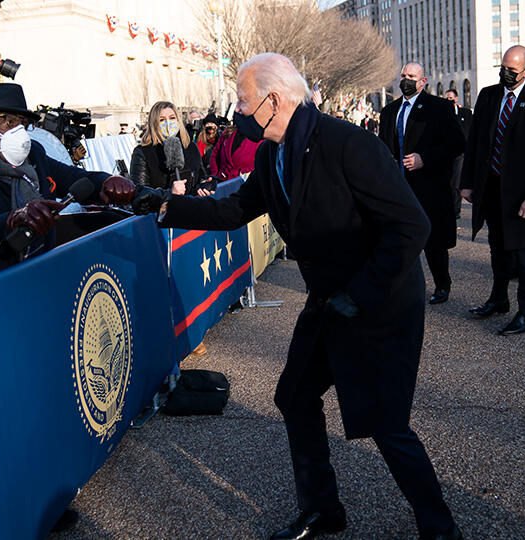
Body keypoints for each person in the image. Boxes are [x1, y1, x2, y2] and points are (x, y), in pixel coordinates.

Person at [132, 52, 461, 540]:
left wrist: (360, 295)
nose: (237, 111)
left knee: (386, 422)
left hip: (380, 302)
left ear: (272, 100)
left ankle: (440, 528)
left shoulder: (349, 143)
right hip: (328, 301)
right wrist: (165, 206)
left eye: (242, 101)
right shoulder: (272, 155)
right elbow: (233, 211)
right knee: (296, 395)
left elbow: (412, 226)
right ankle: (322, 509)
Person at [0, 83, 135, 329]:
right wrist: (10, 221)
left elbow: (71, 177)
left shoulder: (34, 156)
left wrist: (105, 181)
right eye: (8, 122)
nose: (19, 131)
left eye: (23, 123)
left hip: (28, 292)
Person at [460, 45, 525, 336]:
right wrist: (467, 182)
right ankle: (498, 299)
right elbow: (475, 142)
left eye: (512, 70)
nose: (505, 73)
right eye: (502, 68)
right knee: (498, 248)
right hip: (492, 189)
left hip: (524, 195)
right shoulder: (488, 96)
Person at [379, 63, 465, 305]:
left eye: (411, 76)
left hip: (430, 187)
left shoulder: (439, 107)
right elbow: (383, 144)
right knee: (400, 240)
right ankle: (402, 287)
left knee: (434, 242)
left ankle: (442, 284)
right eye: (403, 75)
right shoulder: (390, 111)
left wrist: (424, 158)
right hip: (398, 188)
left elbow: (457, 143)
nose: (405, 80)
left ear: (422, 81)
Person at [129, 101, 204, 195]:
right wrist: (169, 193)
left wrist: (204, 185)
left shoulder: (191, 147)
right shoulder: (142, 152)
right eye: (162, 120)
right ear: (154, 123)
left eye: (172, 118)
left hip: (191, 203)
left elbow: (200, 176)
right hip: (163, 204)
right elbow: (140, 193)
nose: (168, 123)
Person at [445, 89, 472, 218]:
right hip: (446, 153)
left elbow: (470, 131)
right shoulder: (442, 113)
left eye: (451, 98)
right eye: (446, 98)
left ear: (456, 99)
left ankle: (455, 210)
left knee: (456, 183)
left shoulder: (466, 113)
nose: (448, 100)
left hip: (460, 153)